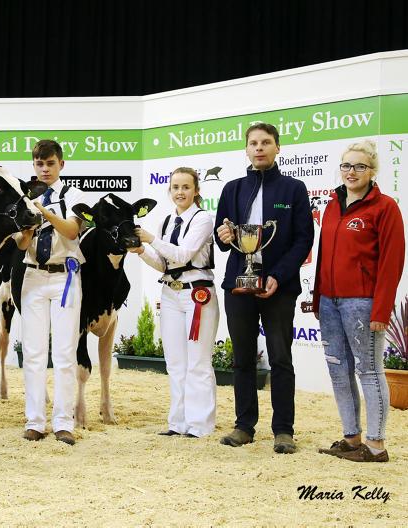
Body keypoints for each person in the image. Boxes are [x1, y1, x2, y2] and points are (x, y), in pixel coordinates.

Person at [215, 123, 313, 454]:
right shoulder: (232, 189)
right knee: (242, 358)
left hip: (279, 288)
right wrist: (224, 236)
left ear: (277, 147)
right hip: (238, 285)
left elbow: (303, 239)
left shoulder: (294, 189)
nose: (259, 148)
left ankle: (283, 430)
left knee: (281, 358)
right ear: (246, 149)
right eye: (253, 143)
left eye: (266, 142)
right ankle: (244, 426)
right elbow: (223, 237)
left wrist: (279, 276)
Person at [313, 140, 404, 462]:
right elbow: (324, 255)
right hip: (329, 302)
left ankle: (376, 446)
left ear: (372, 171)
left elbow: (392, 263)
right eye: (346, 165)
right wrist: (318, 297)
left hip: (362, 303)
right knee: (339, 371)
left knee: (369, 371)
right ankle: (352, 439)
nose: (352, 172)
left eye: (360, 166)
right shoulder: (332, 205)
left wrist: (381, 310)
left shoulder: (385, 207)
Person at [132, 167, 218, 438]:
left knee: (198, 362)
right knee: (175, 362)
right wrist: (141, 250)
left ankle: (200, 425)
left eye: (186, 187)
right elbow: (164, 264)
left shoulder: (204, 219)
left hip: (198, 294)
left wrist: (150, 239)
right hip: (170, 293)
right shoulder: (167, 221)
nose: (180, 192)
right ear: (169, 190)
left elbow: (183, 255)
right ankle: (178, 423)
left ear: (196, 190)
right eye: (175, 187)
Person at [15, 139, 87, 445]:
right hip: (33, 274)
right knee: (33, 352)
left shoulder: (74, 195)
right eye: (39, 164)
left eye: (50, 163)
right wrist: (28, 229)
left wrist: (42, 210)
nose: (44, 169)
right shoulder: (24, 196)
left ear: (61, 164)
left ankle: (63, 422)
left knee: (65, 352)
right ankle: (35, 421)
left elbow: (72, 230)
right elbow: (21, 244)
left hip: (64, 277)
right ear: (33, 165)